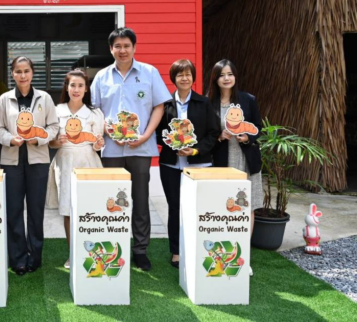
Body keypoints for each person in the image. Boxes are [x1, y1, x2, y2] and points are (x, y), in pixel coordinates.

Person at [90, 28, 171, 271]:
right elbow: (95, 111)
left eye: (127, 45)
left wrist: (145, 135)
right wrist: (108, 130)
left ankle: (140, 249)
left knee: (141, 200)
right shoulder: (102, 77)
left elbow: (159, 106)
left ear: (134, 47)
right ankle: (112, 245)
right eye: (118, 46)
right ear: (111, 49)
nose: (122, 50)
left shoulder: (149, 72)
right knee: (111, 200)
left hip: (141, 148)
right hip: (111, 150)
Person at [0, 56, 59, 275]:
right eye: (18, 71)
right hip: (11, 161)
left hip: (38, 161)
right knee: (13, 210)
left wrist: (38, 139)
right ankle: (18, 258)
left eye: (26, 71)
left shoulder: (44, 98)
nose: (22, 75)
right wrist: (10, 139)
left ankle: (34, 256)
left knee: (35, 210)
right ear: (12, 73)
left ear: (32, 73)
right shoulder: (4, 99)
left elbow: (53, 127)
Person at [155, 59, 219, 268]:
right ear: (173, 78)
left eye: (188, 74)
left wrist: (195, 149)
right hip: (171, 165)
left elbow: (213, 133)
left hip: (199, 165)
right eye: (180, 74)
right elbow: (158, 132)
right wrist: (171, 142)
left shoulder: (204, 102)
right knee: (175, 208)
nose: (184, 78)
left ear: (193, 77)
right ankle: (176, 251)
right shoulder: (165, 104)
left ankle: (201, 248)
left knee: (200, 209)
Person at [207, 59, 263, 275]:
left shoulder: (248, 100)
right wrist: (219, 136)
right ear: (215, 79)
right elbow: (206, 134)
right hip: (222, 163)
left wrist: (247, 137)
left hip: (246, 161)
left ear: (235, 77)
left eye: (230, 74)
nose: (227, 78)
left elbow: (258, 127)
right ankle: (224, 253)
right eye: (222, 75)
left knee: (247, 207)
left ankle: (243, 256)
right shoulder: (209, 103)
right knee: (225, 207)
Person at [47, 69, 105, 269]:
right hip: (65, 162)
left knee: (89, 209)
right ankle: (73, 253)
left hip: (88, 162)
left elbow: (97, 145)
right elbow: (51, 143)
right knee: (68, 210)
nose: (76, 89)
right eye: (73, 85)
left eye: (81, 85)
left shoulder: (95, 113)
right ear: (67, 87)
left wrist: (98, 143)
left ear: (86, 89)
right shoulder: (56, 111)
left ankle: (92, 252)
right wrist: (57, 141)